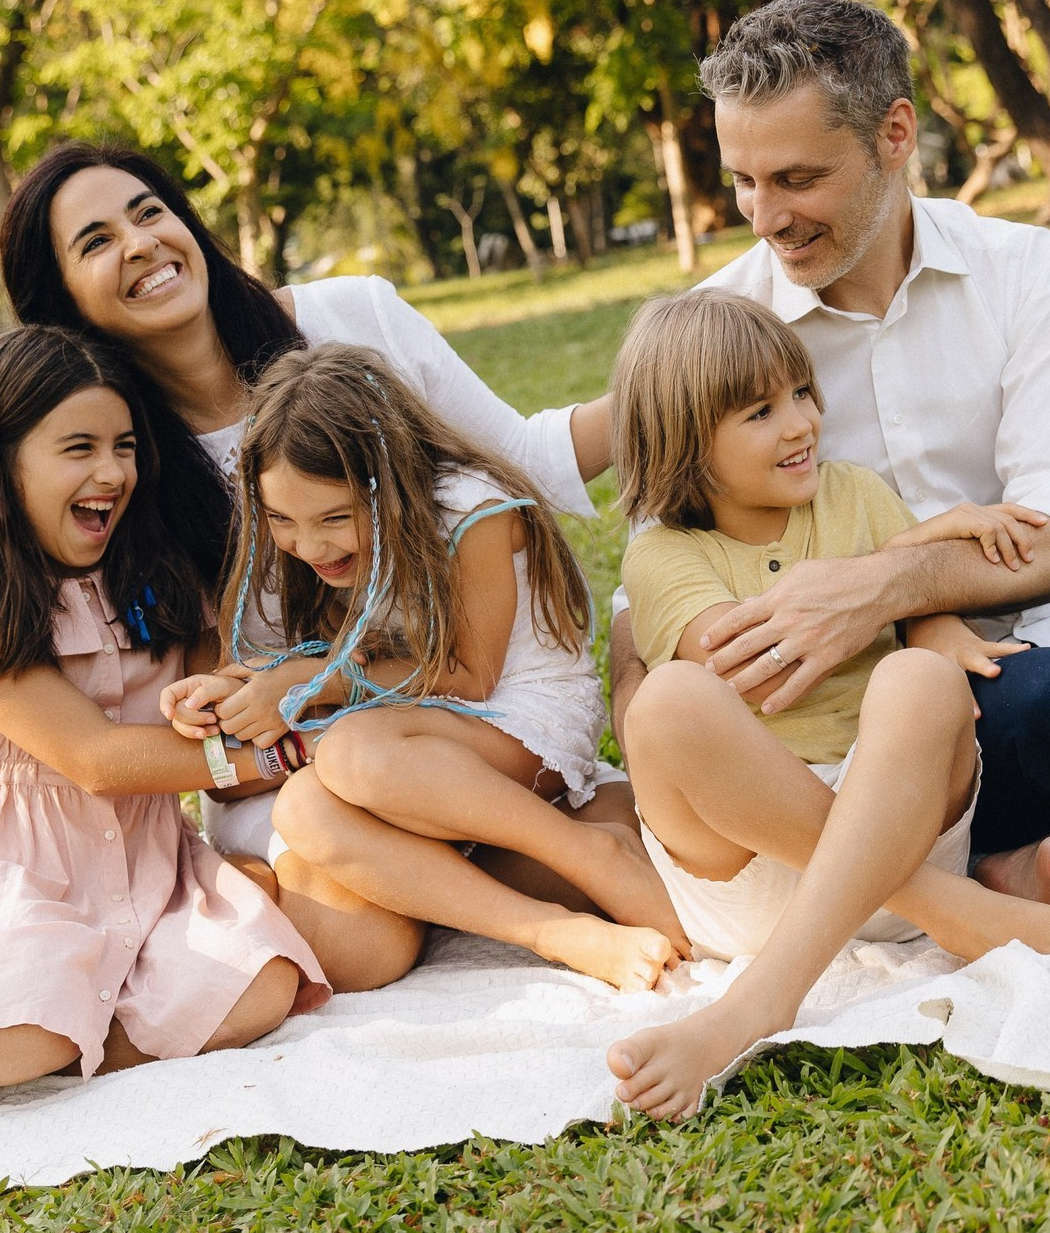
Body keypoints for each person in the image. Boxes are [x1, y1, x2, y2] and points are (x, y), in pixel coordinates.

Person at [0, 142, 621, 989]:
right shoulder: (116, 455)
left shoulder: (354, 319)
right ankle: (488, 879)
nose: (139, 244)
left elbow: (518, 459)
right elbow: (7, 569)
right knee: (365, 939)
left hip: (462, 700)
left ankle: (503, 864)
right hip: (294, 760)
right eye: (95, 242)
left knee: (597, 830)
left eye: (147, 212)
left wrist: (688, 374)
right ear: (60, 303)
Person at [610, 0, 1050, 908]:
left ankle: (1049, 847)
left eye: (797, 178)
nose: (764, 217)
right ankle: (1011, 849)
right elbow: (650, 604)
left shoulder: (1029, 272)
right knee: (1048, 706)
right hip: (911, 719)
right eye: (744, 181)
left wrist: (877, 586)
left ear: (895, 133)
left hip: (1043, 638)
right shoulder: (722, 337)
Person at [604, 291, 1050, 1120]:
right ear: (685, 445)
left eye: (803, 393)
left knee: (923, 679)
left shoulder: (853, 493)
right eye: (760, 410)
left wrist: (919, 565)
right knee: (668, 700)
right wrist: (894, 560)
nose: (800, 422)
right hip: (749, 870)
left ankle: (766, 998)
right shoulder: (664, 554)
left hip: (894, 816)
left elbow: (932, 629)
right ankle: (951, 907)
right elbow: (748, 659)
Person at [162, 343, 684, 991]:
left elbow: (469, 675)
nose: (310, 545)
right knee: (303, 811)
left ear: (391, 481)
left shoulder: (469, 508)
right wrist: (245, 688)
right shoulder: (318, 544)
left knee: (351, 755)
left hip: (518, 717)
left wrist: (312, 684)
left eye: (333, 518)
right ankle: (549, 927)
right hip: (426, 741)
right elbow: (360, 658)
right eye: (284, 522)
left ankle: (589, 851)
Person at [0, 327, 327, 1115]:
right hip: (18, 871)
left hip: (149, 867)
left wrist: (220, 696)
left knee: (261, 980)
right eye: (78, 448)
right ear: (2, 460)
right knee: (35, 999)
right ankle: (21, 1039)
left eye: (124, 445)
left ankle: (57, 1041)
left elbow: (209, 687)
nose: (111, 471)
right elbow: (97, 758)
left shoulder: (161, 572)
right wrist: (271, 754)